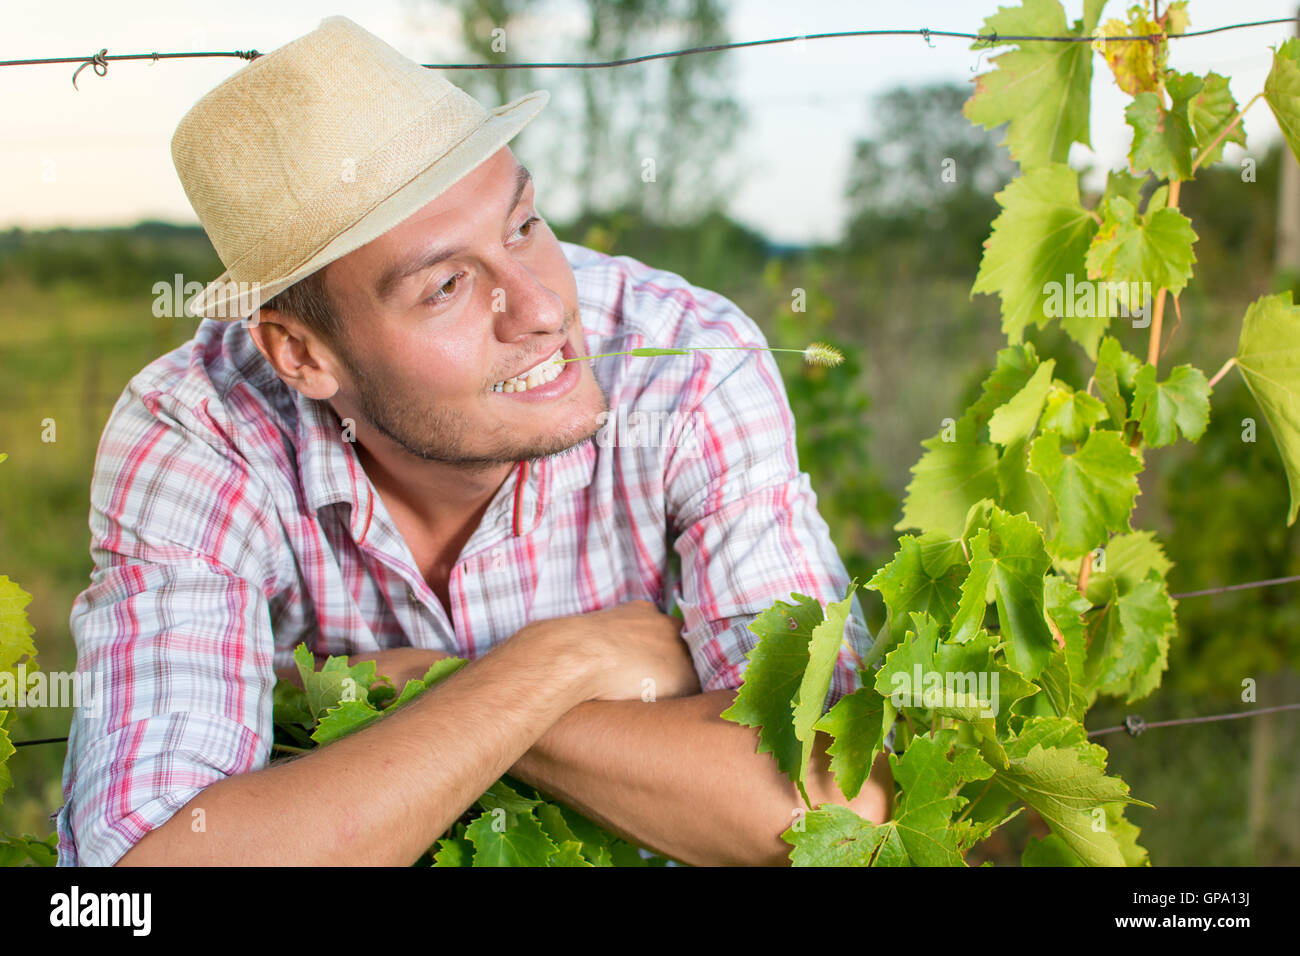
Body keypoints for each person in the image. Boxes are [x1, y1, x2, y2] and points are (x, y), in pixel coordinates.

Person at [55, 15, 889, 867]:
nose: (540, 311)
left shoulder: (686, 363)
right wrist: (551, 666)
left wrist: (425, 688)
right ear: (301, 354)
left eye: (523, 225)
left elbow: (842, 802)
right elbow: (146, 876)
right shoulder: (200, 427)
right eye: (448, 284)